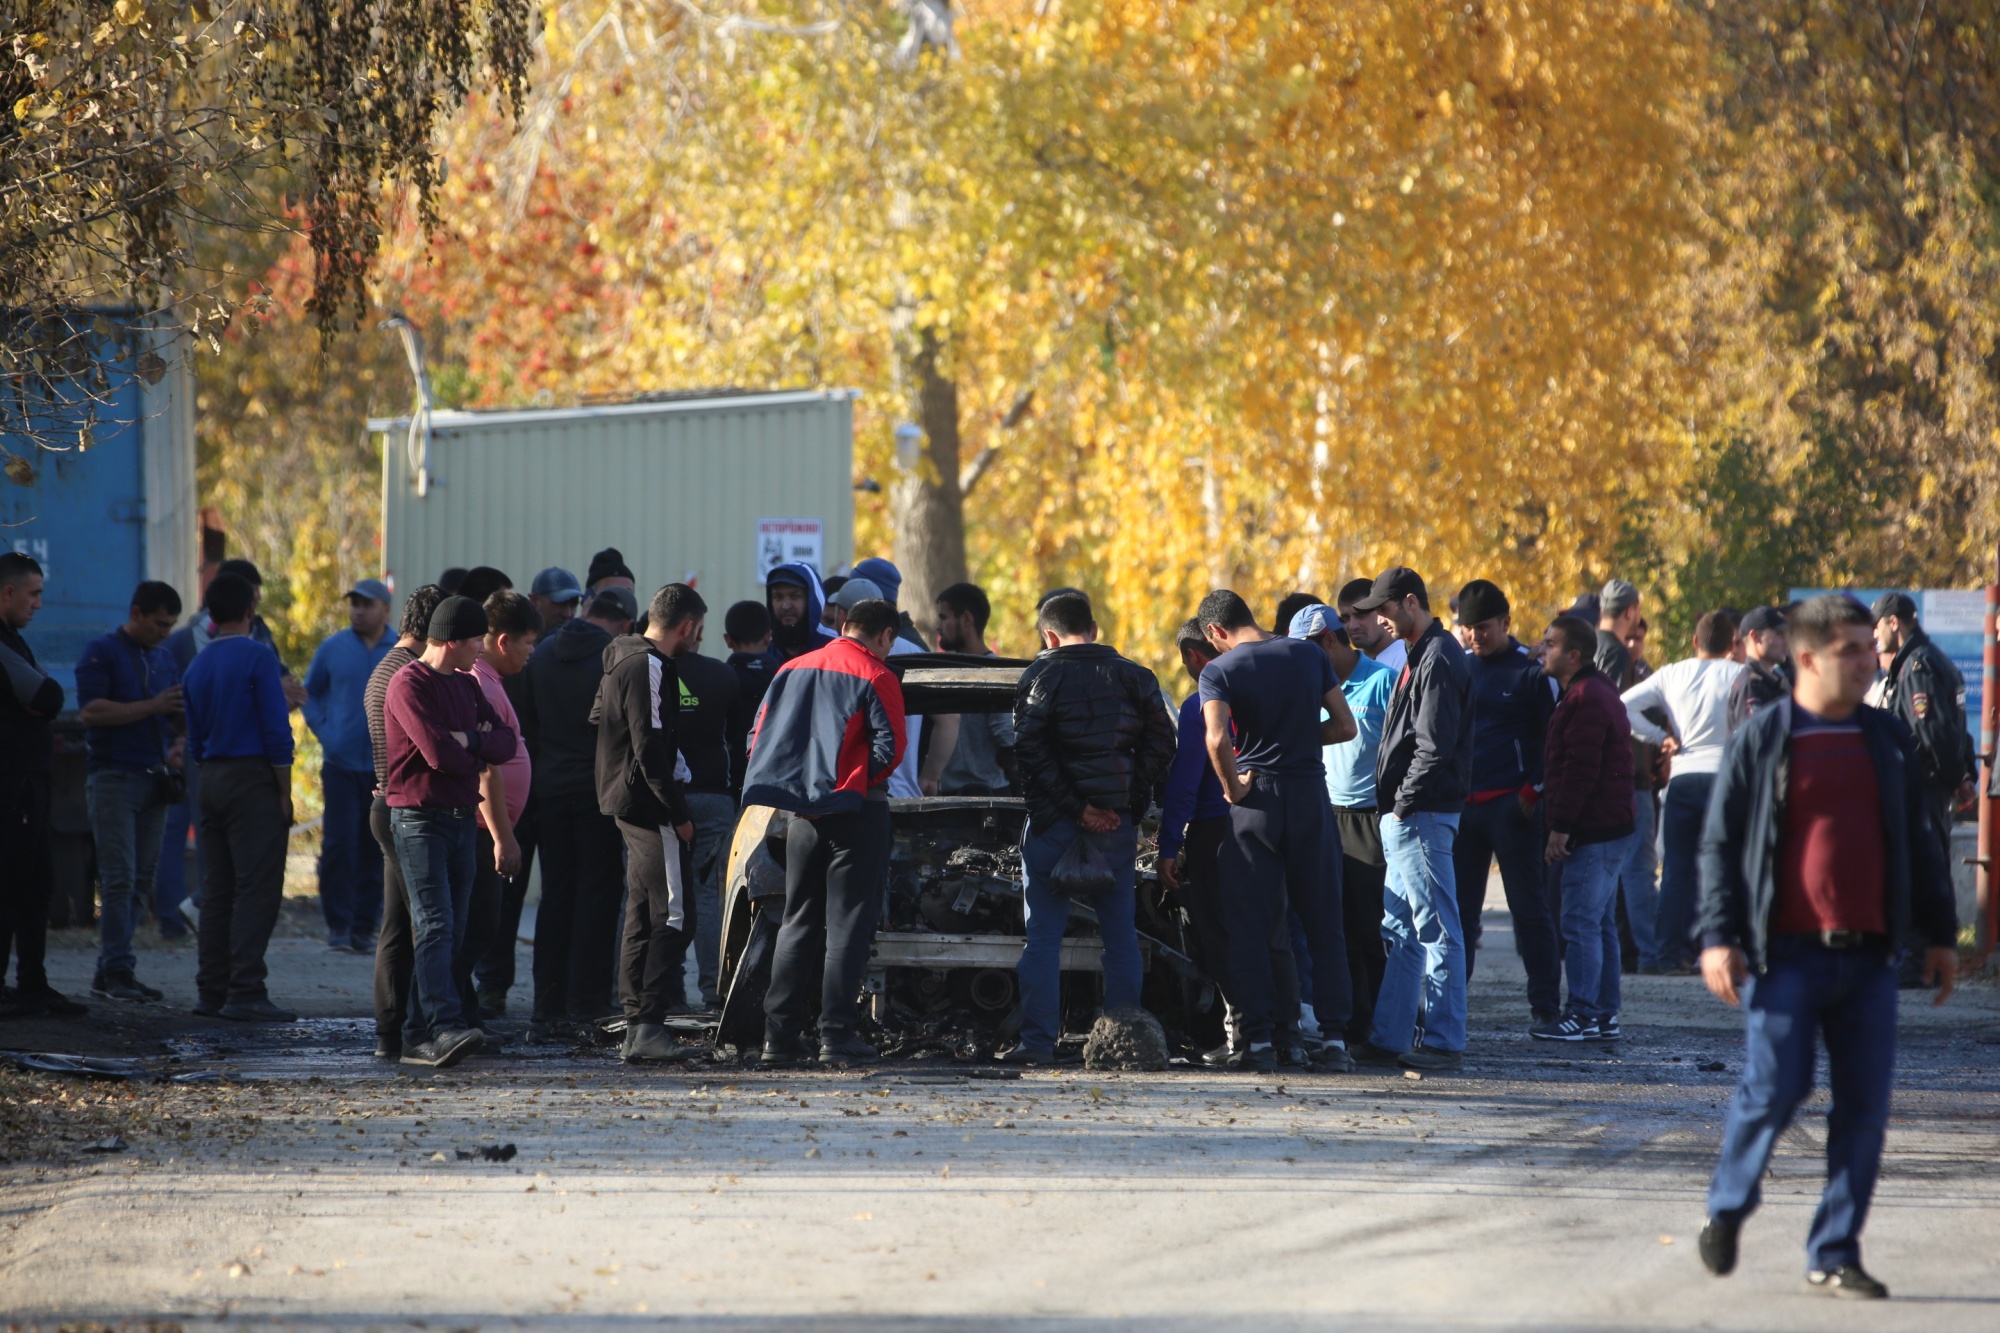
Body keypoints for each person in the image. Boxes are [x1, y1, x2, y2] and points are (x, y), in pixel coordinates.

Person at [1694, 594, 1960, 1300]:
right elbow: (1721, 843)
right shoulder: (1766, 736)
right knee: (1777, 1086)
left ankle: (1835, 1249)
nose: (1867, 659)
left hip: (1871, 958)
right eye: (1850, 649)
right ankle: (1727, 1204)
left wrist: (1939, 935)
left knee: (1864, 1108)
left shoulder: (1886, 737)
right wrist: (1718, 936)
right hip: (1785, 955)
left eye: (1867, 646)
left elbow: (1919, 842)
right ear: (1808, 657)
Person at [1005, 592, 1174, 1065]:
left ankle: (1036, 1044)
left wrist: (1077, 809)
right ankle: (1125, 1042)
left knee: (1042, 938)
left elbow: (1030, 755)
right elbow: (1163, 746)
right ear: (1094, 628)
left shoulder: (1039, 676)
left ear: (1049, 635)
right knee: (1120, 935)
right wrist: (1123, 804)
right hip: (1116, 830)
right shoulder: (1137, 678)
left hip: (1054, 826)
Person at [1196, 589, 1358, 1072]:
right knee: (1325, 920)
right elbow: (1345, 726)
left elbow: (1216, 737)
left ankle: (1260, 1042)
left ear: (1214, 632)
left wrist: (1232, 787)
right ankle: (1333, 1041)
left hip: (1257, 804)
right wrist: (1299, 741)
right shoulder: (1309, 654)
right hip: (1310, 795)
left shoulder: (1218, 670)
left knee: (1251, 923)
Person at [743, 597, 909, 1067]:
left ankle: (779, 1039)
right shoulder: (878, 674)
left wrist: (801, 791)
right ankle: (836, 1035)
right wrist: (852, 785)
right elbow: (891, 748)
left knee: (796, 922)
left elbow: (758, 737)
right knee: (847, 927)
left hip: (800, 817)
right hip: (856, 813)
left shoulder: (791, 670)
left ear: (842, 625)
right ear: (885, 636)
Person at [1347, 567, 1474, 1072]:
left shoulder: (1438, 656)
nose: (1378, 618)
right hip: (1412, 814)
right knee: (1400, 929)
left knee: (1437, 928)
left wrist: (1403, 804)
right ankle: (1391, 1035)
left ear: (1410, 603)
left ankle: (1444, 1040)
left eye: (1384, 609)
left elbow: (1434, 745)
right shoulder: (1422, 654)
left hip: (1421, 813)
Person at [384, 595, 517, 1068]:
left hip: (462, 818)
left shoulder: (465, 686)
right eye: (477, 640)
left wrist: (472, 741)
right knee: (435, 925)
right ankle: (439, 1028)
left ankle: (420, 1031)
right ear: (453, 642)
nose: (481, 650)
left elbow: (505, 743)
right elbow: (438, 755)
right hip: (420, 821)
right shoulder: (408, 684)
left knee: (451, 930)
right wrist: (470, 750)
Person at [1158, 618, 1294, 1065]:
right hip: (1271, 822)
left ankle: (1242, 1033)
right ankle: (1286, 1034)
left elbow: (1184, 782)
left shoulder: (1201, 703)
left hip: (1216, 832)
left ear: (1196, 657)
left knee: (1220, 936)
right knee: (1272, 931)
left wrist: (1168, 845)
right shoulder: (1263, 694)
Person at [593, 583, 707, 1065]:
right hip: (651, 809)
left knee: (642, 915)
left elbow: (600, 718)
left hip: (626, 804)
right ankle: (648, 1026)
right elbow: (649, 746)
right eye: (697, 632)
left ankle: (637, 1023)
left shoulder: (621, 658)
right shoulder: (649, 665)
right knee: (678, 917)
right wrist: (679, 814)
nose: (698, 640)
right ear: (685, 627)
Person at [182, 573, 298, 1023]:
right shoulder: (258, 657)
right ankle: (246, 989)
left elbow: (192, 736)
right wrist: (284, 791)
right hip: (252, 779)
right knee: (256, 888)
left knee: (217, 889)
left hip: (209, 776)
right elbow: (276, 729)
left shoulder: (197, 664)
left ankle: (211, 989)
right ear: (251, 609)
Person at [518, 587, 632, 1041]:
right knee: (598, 896)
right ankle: (587, 999)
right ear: (621, 622)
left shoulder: (541, 655)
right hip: (596, 792)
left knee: (556, 895)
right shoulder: (611, 658)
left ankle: (547, 1000)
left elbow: (527, 723)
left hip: (549, 789)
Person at [1450, 579, 1563, 1026]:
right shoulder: (1459, 667)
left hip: (1514, 809)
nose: (1475, 636)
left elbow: (1555, 740)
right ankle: (1452, 1006)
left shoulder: (1530, 671)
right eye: (1468, 628)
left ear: (1506, 623)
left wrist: (1534, 789)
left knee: (1529, 908)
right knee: (1460, 913)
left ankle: (1545, 1006)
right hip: (1464, 808)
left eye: (1483, 628)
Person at [1292, 604, 1397, 1047]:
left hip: (1369, 818)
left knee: (1370, 927)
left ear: (1329, 641)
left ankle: (1381, 1023)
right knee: (1330, 925)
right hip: (1324, 814)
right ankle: (1347, 1023)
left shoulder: (1381, 681)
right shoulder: (1309, 685)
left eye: (1307, 651)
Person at [76, 579, 184, 1003]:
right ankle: (117, 969)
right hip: (114, 778)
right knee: (119, 879)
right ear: (136, 613)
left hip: (153, 779)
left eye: (171, 625)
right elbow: (91, 711)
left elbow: (172, 718)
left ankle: (113, 970)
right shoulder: (101, 652)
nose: (165, 632)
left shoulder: (163, 659)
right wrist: (153, 707)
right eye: (159, 623)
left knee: (140, 880)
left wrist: (180, 729)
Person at [1533, 615, 1637, 1041]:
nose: (1542, 648)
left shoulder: (1585, 698)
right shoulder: (1588, 691)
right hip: (1608, 827)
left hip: (1594, 830)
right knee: (1598, 923)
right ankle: (1602, 1013)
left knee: (1579, 922)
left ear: (1574, 654)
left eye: (1551, 643)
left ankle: (1581, 1014)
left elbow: (1581, 770)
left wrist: (1561, 827)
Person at [1621, 610, 1744, 971]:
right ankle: (1722, 948)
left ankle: (1666, 954)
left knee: (1676, 869)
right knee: (1727, 865)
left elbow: (1623, 704)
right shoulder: (1740, 675)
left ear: (1694, 641)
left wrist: (1661, 738)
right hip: (1726, 777)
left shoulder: (1672, 673)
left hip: (1683, 777)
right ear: (1733, 645)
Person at [362, 583, 447, 1059]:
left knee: (400, 921)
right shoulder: (409, 675)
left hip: (387, 801)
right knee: (423, 922)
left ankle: (390, 1029)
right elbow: (436, 748)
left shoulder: (383, 670)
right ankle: (412, 1026)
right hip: (404, 807)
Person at [0, 553, 84, 1019]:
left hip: (29, 778)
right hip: (13, 781)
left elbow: (40, 698)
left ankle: (33, 983)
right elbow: (48, 697)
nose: (38, 605)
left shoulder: (14, 641)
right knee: (11, 882)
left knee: (35, 882)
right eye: (33, 594)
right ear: (7, 593)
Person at [461, 590, 541, 1027]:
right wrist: (502, 836)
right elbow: (485, 767)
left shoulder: (492, 681)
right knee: (476, 927)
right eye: (529, 643)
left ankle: (463, 1011)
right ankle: (455, 1013)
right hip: (479, 827)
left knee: (482, 924)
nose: (532, 654)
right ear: (505, 640)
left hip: (486, 827)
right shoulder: (479, 681)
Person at [303, 578, 394, 953]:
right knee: (340, 845)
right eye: (354, 603)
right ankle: (338, 926)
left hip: (383, 767)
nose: (358, 610)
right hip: (340, 764)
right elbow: (310, 693)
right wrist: (326, 732)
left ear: (385, 609)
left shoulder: (400, 649)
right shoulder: (333, 647)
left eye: (367, 604)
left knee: (376, 847)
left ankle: (364, 927)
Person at [661, 613, 741, 1011]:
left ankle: (665, 990)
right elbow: (739, 734)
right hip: (713, 795)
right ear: (697, 632)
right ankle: (714, 990)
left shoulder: (652, 673)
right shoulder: (722, 677)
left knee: (663, 894)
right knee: (710, 897)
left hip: (665, 794)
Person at [1871, 592, 1976, 876]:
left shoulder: (1917, 667)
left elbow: (1934, 729)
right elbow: (1956, 729)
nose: (1874, 634)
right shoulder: (1932, 658)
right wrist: (1963, 773)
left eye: (1877, 625)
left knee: (1924, 877)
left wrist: (1958, 778)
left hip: (1923, 789)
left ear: (1894, 623)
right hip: (1930, 788)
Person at [935, 581, 1016, 796]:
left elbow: (1008, 740)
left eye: (944, 617)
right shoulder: (945, 671)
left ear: (967, 619)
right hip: (951, 796)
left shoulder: (994, 672)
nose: (938, 627)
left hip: (988, 801)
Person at [722, 600, 775, 800]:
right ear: (769, 636)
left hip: (734, 783)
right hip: (776, 781)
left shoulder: (721, 677)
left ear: (728, 640)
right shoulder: (786, 676)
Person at [1727, 606, 1791, 731]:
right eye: (1779, 634)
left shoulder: (1776, 679)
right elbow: (1753, 740)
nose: (1786, 641)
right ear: (1755, 636)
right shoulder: (1751, 684)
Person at [764, 561, 836, 665]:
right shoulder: (764, 646)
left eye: (795, 596)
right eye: (778, 597)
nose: (785, 606)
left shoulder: (832, 645)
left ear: (812, 600)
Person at [1337, 577, 1407, 674]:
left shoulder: (1407, 659)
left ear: (1382, 611)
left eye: (1360, 615)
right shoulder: (1349, 668)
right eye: (1345, 618)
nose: (1352, 626)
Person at [1595, 580, 1644, 687]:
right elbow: (1614, 701)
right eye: (1639, 611)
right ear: (1630, 612)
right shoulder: (1616, 655)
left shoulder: (1584, 643)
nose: (1639, 618)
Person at [528, 567, 584, 631]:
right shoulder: (516, 636)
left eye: (574, 604)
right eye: (561, 603)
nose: (568, 614)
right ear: (534, 601)